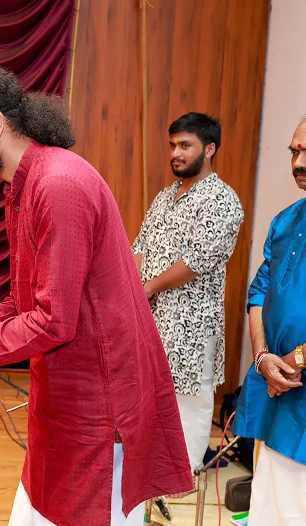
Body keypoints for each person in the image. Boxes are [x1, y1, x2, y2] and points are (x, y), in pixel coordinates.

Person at [0, 65, 192, 526]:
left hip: (99, 412)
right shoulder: (24, 185)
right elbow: (21, 303)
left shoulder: (58, 185)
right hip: (62, 401)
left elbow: (51, 322)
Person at [132, 112, 244, 475]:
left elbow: (196, 260)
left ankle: (184, 473)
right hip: (151, 318)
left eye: (185, 145)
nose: (176, 153)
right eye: (173, 145)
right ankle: (151, 471)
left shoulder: (223, 200)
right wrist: (133, 290)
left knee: (190, 403)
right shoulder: (166, 196)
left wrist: (147, 287)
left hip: (192, 325)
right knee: (149, 395)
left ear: (209, 149)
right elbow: (141, 245)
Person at [233, 118, 306, 525]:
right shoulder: (286, 220)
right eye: (294, 151)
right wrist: (263, 357)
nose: (298, 161)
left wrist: (294, 361)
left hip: (295, 385)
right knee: (267, 502)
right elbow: (258, 293)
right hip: (278, 385)